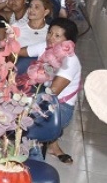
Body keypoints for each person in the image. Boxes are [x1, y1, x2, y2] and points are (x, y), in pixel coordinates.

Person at [19, 17, 81, 164]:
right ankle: (53, 146)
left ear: (69, 42)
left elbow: (51, 93)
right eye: (50, 33)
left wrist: (23, 104)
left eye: (57, 36)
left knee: (27, 123)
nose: (51, 38)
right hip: (42, 97)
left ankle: (34, 163)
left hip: (60, 107)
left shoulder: (70, 61)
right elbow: (19, 51)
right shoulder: (45, 47)